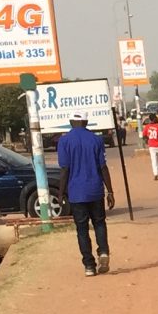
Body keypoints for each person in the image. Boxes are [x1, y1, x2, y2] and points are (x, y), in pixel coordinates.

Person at [55, 113, 111, 277]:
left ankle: (89, 265)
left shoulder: (64, 141)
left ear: (71, 122)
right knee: (99, 223)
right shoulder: (96, 140)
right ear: (86, 122)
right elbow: (103, 167)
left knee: (82, 229)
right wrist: (111, 191)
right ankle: (104, 251)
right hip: (95, 190)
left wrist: (60, 193)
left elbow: (64, 169)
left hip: (76, 192)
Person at [141, 114, 158, 179]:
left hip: (151, 146)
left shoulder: (147, 126)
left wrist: (147, 142)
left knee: (154, 160)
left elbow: (144, 136)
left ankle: (155, 174)